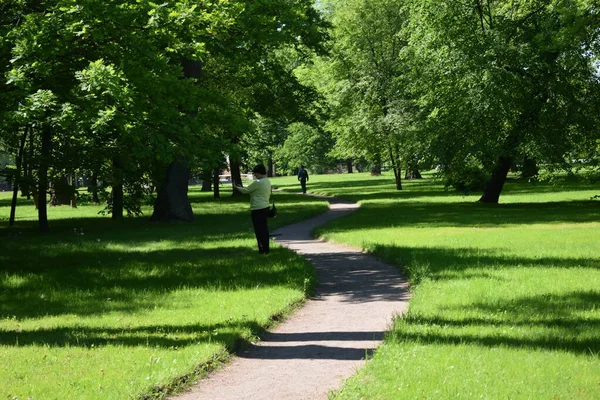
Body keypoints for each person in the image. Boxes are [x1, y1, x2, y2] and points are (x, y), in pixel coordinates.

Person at [234, 164, 272, 254]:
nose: (255, 176)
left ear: (259, 173)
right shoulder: (267, 181)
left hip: (257, 209)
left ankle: (262, 249)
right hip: (266, 206)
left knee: (259, 230)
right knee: (264, 229)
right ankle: (266, 248)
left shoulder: (258, 182)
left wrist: (236, 187)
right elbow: (256, 192)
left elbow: (245, 190)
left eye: (255, 174)